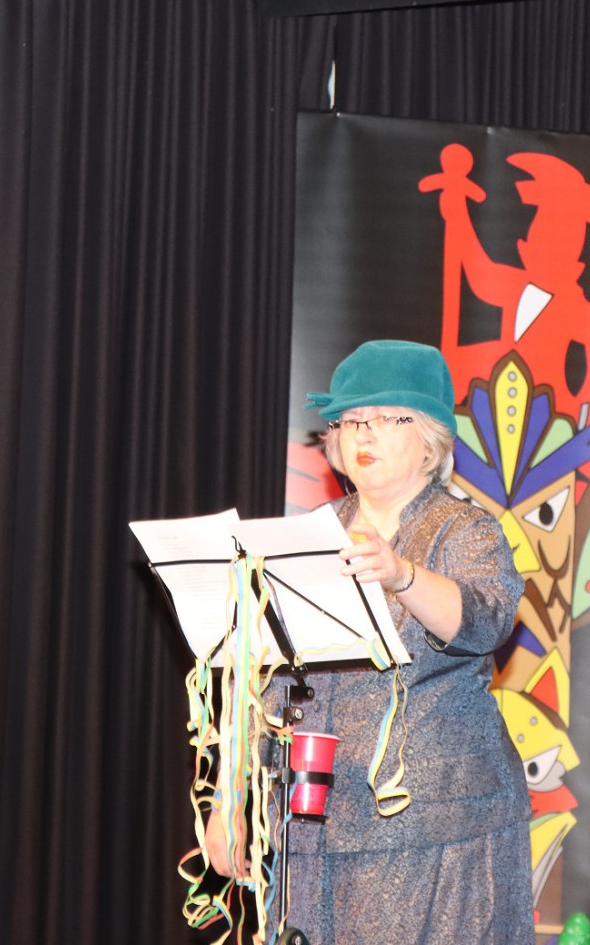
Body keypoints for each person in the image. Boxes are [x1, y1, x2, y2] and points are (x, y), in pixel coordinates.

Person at [203, 340, 532, 944]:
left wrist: (402, 574)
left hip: (437, 829)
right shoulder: (308, 534)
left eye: (387, 418)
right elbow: (259, 674)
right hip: (311, 823)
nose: (364, 432)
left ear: (429, 439)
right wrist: (231, 798)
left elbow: (487, 621)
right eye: (351, 420)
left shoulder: (466, 530)